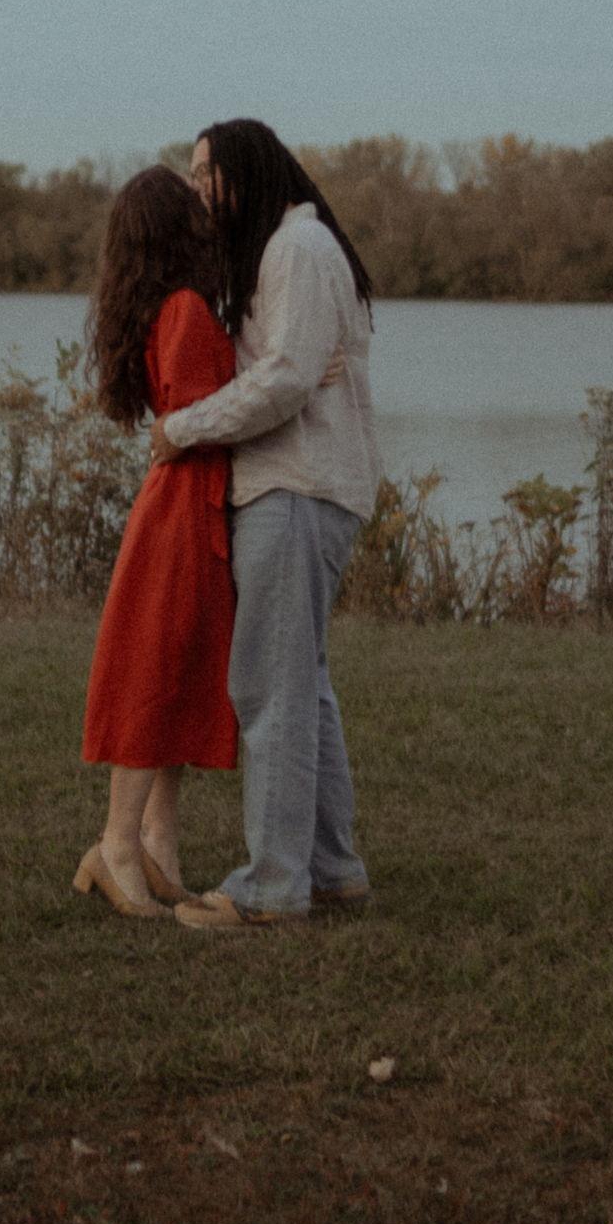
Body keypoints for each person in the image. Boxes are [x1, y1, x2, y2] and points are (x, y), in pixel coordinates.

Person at [149, 118, 381, 929]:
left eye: (205, 170)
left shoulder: (296, 250)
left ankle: (273, 885)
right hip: (302, 485)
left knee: (269, 686)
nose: (196, 185)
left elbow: (283, 380)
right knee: (301, 682)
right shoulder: (283, 252)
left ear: (244, 172)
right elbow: (286, 367)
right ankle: (329, 865)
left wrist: (180, 428)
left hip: (296, 486)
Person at [75, 166, 241, 919]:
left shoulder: (171, 306)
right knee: (154, 667)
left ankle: (157, 844)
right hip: (181, 510)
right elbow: (212, 415)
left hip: (185, 505)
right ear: (179, 226)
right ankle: (116, 843)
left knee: (182, 670)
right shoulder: (182, 310)